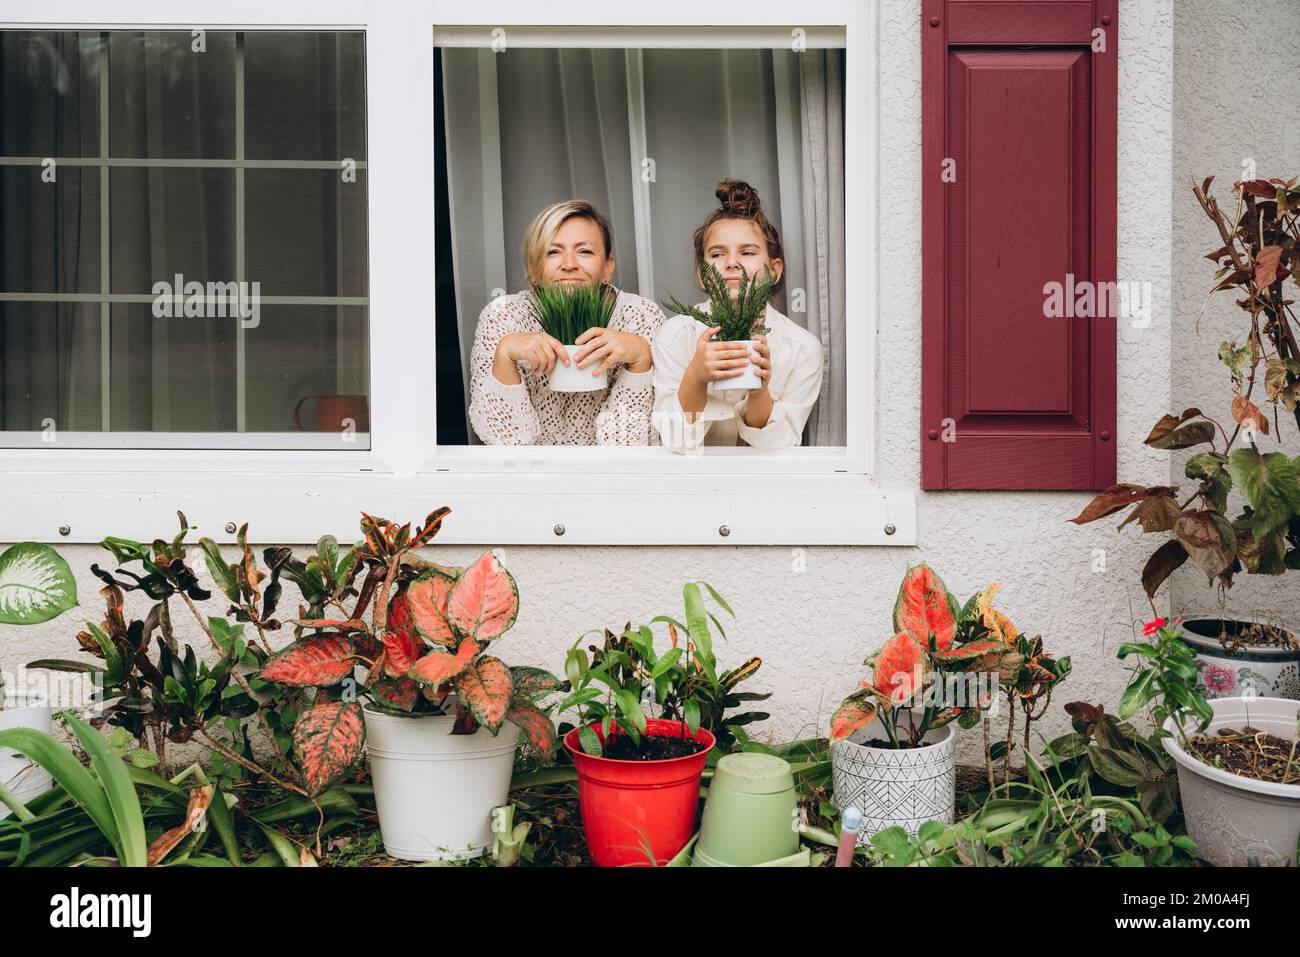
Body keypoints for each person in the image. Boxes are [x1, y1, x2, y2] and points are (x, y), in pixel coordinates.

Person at [468, 200, 664, 445]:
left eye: (585, 251)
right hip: (531, 478)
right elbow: (505, 442)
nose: (569, 265)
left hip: (612, 477)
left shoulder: (640, 316)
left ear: (607, 267)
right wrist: (505, 355)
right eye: (552, 251)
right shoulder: (502, 316)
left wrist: (640, 361)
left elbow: (626, 444)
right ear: (533, 271)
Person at [652, 180, 824, 449]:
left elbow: (782, 446)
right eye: (717, 254)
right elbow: (675, 439)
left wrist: (759, 394)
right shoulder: (676, 336)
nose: (732, 262)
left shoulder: (802, 349)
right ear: (701, 273)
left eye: (747, 252)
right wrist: (696, 377)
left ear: (774, 269)